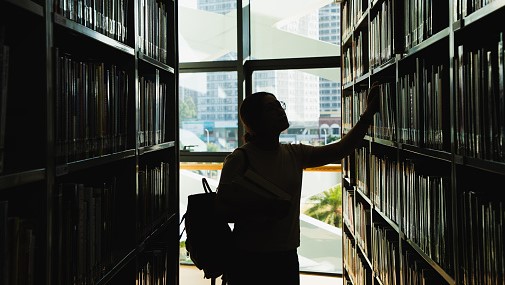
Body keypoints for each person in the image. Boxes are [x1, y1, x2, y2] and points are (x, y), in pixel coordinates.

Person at [215, 82, 381, 285]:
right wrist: (263, 209)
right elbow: (222, 211)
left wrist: (368, 114)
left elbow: (340, 150)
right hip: (248, 256)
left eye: (279, 105)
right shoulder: (239, 159)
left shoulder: (294, 154)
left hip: (285, 254)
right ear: (255, 119)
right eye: (271, 108)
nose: (280, 111)